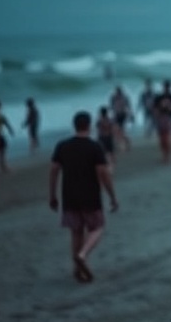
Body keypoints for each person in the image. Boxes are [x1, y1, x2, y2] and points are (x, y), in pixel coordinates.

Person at [48, 111, 118, 283]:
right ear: (90, 125)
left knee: (76, 232)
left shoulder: (62, 146)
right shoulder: (95, 147)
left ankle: (77, 270)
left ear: (74, 125)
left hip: (69, 196)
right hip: (90, 196)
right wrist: (112, 196)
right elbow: (103, 173)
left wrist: (52, 195)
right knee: (98, 227)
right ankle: (83, 254)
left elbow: (54, 170)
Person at [152, 80, 171, 164]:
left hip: (168, 119)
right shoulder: (159, 96)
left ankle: (167, 155)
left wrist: (169, 110)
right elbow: (154, 108)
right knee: (161, 139)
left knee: (167, 138)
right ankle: (165, 154)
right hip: (160, 119)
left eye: (168, 86)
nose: (167, 88)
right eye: (166, 86)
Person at [108, 86, 133, 151]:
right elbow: (111, 107)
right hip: (118, 115)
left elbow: (128, 107)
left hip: (122, 115)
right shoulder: (114, 97)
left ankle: (125, 143)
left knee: (120, 130)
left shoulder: (123, 98)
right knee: (118, 130)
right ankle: (124, 142)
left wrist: (130, 115)